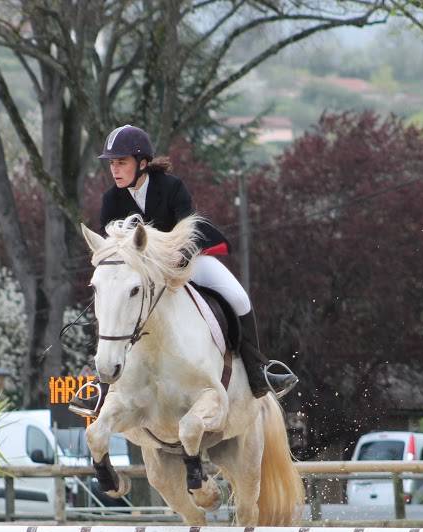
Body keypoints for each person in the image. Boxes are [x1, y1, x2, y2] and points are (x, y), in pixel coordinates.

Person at [92, 124, 298, 400]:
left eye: (121, 162)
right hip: (141, 273)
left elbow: (188, 229)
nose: (114, 169)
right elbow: (114, 246)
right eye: (112, 164)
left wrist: (179, 256)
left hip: (185, 261)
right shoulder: (111, 200)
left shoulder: (171, 186)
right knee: (110, 302)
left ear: (142, 163)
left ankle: (257, 370)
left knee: (238, 297)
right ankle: (101, 386)